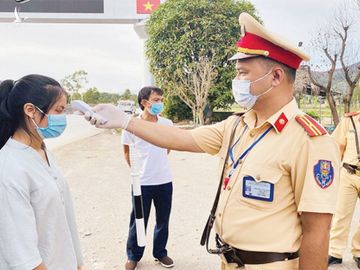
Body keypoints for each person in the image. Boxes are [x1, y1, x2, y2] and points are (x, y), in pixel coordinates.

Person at [86, 13, 340, 270]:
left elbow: (317, 231)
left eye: (243, 73)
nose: (236, 81)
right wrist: (125, 121)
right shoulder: (237, 125)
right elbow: (181, 137)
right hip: (228, 261)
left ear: (275, 77)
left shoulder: (309, 140)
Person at [0, 75, 83, 270]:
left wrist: (78, 263)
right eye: (58, 110)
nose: (62, 118)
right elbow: (23, 256)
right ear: (30, 110)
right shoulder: (9, 167)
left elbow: (63, 218)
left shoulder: (42, 151)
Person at [121, 87, 174, 270]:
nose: (160, 103)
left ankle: (160, 253)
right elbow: (126, 152)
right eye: (157, 100)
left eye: (161, 99)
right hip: (142, 183)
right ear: (144, 102)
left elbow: (168, 147)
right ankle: (133, 256)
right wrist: (139, 172)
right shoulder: (132, 125)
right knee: (138, 220)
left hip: (165, 181)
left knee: (163, 220)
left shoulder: (167, 124)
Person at [328, 111, 360, 268]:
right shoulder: (350, 121)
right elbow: (337, 146)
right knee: (341, 214)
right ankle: (335, 252)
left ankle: (359, 252)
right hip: (348, 173)